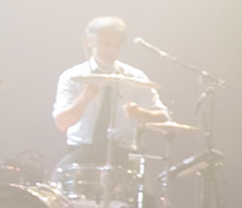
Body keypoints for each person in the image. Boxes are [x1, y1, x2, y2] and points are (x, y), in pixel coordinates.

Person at [52, 16, 169, 172]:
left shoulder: (135, 77)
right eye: (105, 44)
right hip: (83, 151)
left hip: (122, 153)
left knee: (145, 196)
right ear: (90, 41)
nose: (111, 51)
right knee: (57, 188)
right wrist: (85, 96)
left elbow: (163, 118)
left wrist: (140, 113)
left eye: (116, 45)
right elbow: (62, 123)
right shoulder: (72, 76)